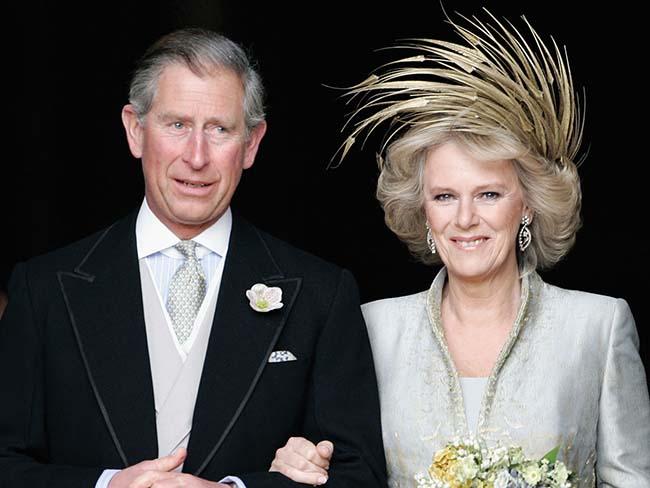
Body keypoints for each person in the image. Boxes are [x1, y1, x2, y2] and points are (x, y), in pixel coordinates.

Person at [269, 11, 650, 487]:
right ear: (424, 211)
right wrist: (300, 464)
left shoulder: (598, 327)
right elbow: (342, 469)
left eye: (488, 194)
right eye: (445, 196)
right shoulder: (370, 329)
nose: (465, 218)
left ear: (527, 205)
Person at [0, 28, 387, 488]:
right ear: (135, 130)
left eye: (220, 129)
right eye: (177, 125)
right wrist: (106, 485)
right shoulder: (43, 289)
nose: (197, 156)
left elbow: (357, 475)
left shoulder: (321, 295)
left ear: (252, 143)